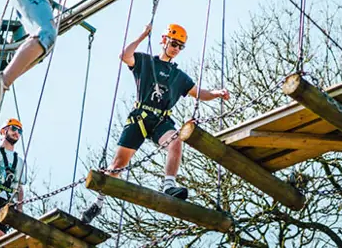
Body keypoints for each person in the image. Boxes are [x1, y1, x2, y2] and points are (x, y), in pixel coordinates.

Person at [80, 23, 230, 224]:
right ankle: (98, 203)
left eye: (180, 46)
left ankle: (169, 184)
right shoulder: (145, 62)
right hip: (140, 117)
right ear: (164, 40)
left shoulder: (179, 77)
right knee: (117, 165)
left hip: (161, 120)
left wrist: (217, 93)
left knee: (176, 140)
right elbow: (125, 56)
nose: (176, 49)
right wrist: (143, 34)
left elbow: (199, 93)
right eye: (174, 43)